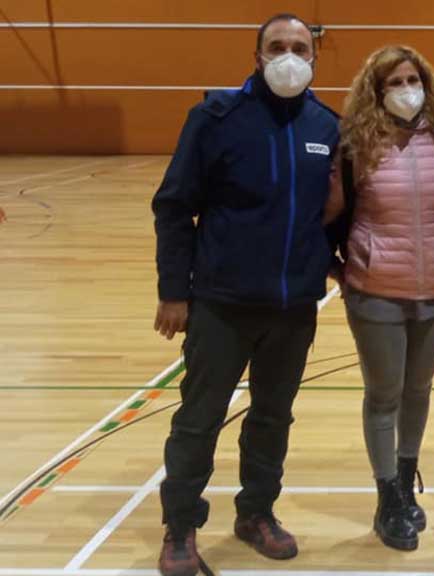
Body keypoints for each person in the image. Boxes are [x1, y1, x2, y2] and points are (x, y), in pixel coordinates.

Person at [151, 13, 340, 575]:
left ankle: (256, 512)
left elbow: (335, 212)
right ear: (257, 57)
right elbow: (173, 206)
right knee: (199, 419)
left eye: (300, 47)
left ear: (314, 57)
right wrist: (173, 291)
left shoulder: (328, 126)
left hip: (293, 308)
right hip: (221, 304)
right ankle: (181, 525)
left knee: (273, 418)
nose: (289, 56)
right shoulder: (216, 118)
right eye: (277, 47)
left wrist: (335, 265)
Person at [335, 44, 434, 551]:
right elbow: (330, 212)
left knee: (418, 389)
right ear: (375, 92)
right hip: (376, 291)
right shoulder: (354, 145)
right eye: (393, 83)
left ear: (426, 84)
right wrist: (333, 266)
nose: (405, 90)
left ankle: (403, 480)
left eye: (411, 80)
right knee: (384, 395)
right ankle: (386, 499)